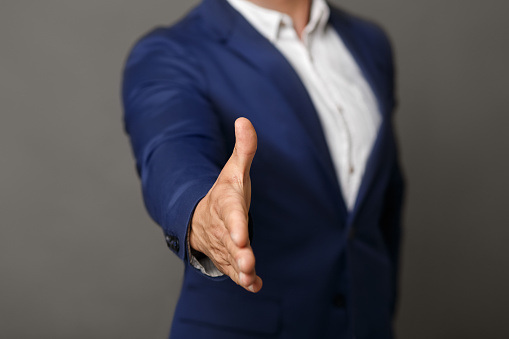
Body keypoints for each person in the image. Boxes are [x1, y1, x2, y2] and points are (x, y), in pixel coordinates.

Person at [122, 0, 405, 337]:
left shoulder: (369, 42)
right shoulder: (170, 52)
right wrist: (202, 213)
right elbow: (170, 149)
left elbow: (382, 200)